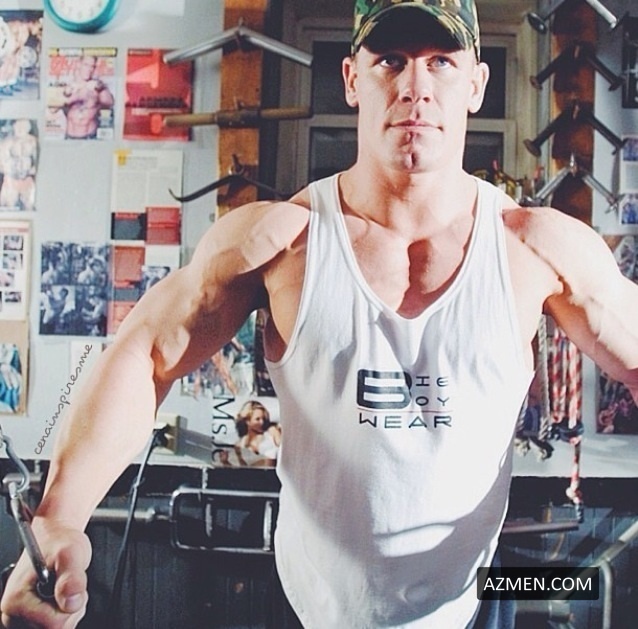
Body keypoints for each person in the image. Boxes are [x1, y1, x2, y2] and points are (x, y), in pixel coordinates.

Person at [2, 0, 638, 627]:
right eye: (390, 60)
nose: (415, 87)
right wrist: (60, 519)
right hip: (305, 604)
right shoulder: (281, 241)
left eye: (442, 61)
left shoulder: (536, 248)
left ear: (476, 84)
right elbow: (145, 355)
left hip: (473, 600)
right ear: (352, 79)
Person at [59, 55, 114, 140]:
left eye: (92, 66)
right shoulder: (68, 86)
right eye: (86, 65)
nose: (89, 69)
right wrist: (67, 94)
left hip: (90, 137)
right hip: (70, 138)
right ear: (79, 64)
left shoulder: (97, 87)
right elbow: (53, 108)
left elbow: (109, 102)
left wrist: (100, 87)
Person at [234, 399, 281, 467]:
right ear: (247, 421)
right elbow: (243, 468)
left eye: (263, 418)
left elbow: (285, 452)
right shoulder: (241, 444)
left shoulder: (271, 433)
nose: (262, 422)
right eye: (257, 419)